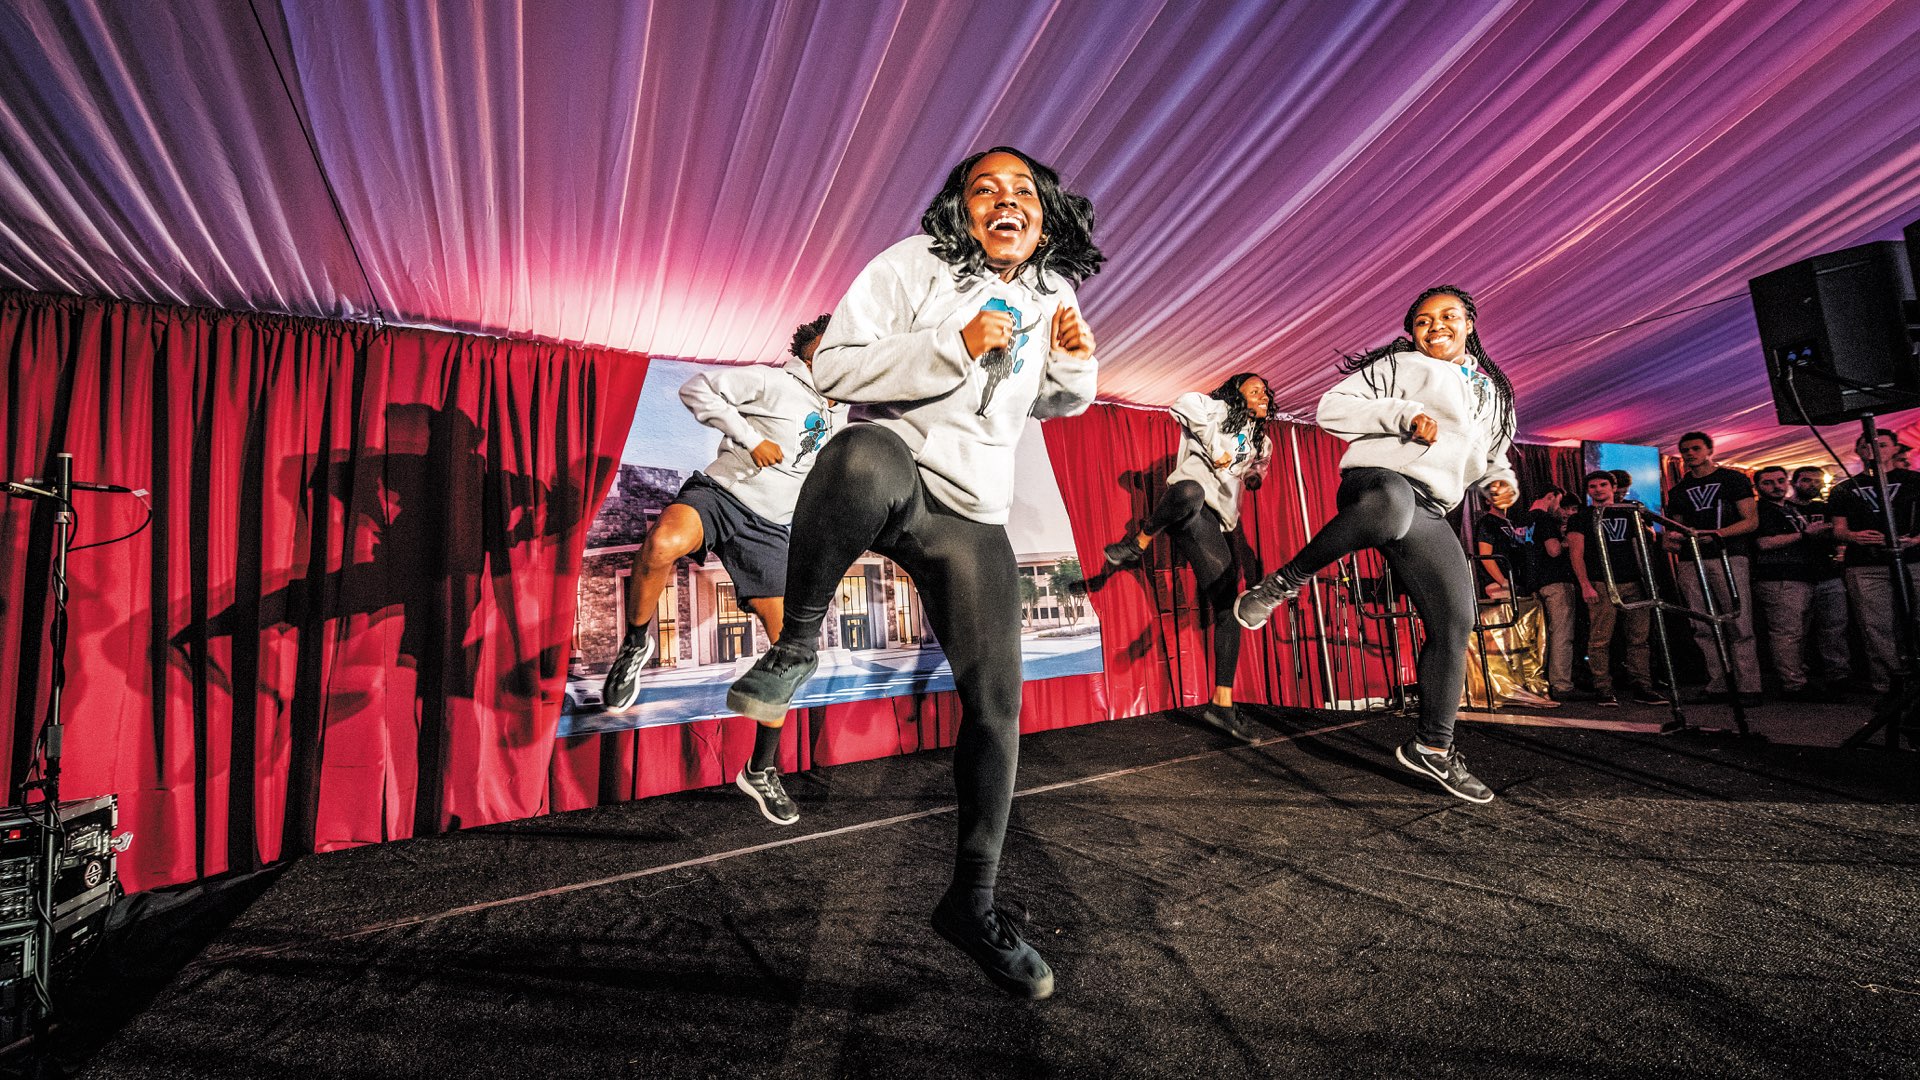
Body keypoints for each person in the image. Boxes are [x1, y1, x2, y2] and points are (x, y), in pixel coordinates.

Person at [726, 147, 1102, 999]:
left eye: (1022, 191)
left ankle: (972, 903)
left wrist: (1075, 363)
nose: (1005, 200)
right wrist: (951, 343)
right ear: (959, 209)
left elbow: (1048, 401)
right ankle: (796, 644)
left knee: (998, 711)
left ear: (1045, 213)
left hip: (970, 514)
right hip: (898, 471)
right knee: (859, 452)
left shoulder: (1053, 291)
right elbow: (834, 366)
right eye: (984, 190)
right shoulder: (911, 263)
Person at [1234, 286, 1515, 804]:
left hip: (1431, 509)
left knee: (1457, 623)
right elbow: (1331, 408)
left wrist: (1501, 480)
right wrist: (1404, 416)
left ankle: (1433, 747)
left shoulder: (1493, 392)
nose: (1436, 326)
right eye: (1424, 321)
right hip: (1378, 483)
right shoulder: (1401, 365)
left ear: (1470, 324)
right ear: (1412, 332)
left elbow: (1491, 452)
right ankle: (1283, 583)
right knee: (1391, 504)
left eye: (1448, 316)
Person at [601, 315, 847, 825]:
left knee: (788, 653)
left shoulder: (842, 411)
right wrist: (749, 437)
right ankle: (636, 645)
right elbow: (696, 388)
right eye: (825, 344)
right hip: (721, 496)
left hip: (771, 529)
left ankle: (760, 769)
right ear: (807, 350)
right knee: (661, 544)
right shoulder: (772, 381)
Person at [1103, 374, 1273, 740]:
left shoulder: (1263, 441)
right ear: (1236, 394)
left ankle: (1222, 704)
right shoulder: (1213, 409)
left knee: (1230, 608)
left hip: (1217, 521)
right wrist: (1214, 445)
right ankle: (1139, 542)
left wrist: (1254, 476)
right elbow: (1181, 402)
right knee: (1191, 490)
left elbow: (1256, 471)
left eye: (1265, 391)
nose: (1263, 394)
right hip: (1188, 506)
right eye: (1254, 389)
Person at [1665, 431, 1761, 705]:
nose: (1689, 454)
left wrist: (1718, 534)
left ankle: (1749, 686)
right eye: (1685, 450)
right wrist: (1674, 538)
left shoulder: (1733, 479)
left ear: (1709, 450)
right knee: (1702, 624)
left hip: (1728, 555)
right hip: (1691, 559)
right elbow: (1675, 527)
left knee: (1738, 621)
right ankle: (1718, 684)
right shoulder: (1679, 489)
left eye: (1695, 448)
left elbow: (1750, 521)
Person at [1567, 471, 1667, 707]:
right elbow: (1576, 553)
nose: (1598, 489)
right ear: (1588, 490)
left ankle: (1642, 686)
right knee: (1600, 639)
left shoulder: (1628, 512)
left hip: (1634, 580)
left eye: (1603, 485)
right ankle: (1603, 687)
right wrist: (1585, 585)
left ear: (1613, 487)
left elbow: (1646, 541)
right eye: (1593, 486)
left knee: (1639, 639)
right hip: (1601, 583)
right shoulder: (1581, 517)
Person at [1830, 432, 1920, 694]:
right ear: (1858, 450)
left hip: (1913, 559)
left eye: (1881, 445)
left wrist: (1915, 540)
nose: (1874, 449)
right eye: (1866, 445)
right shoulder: (1844, 488)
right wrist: (1854, 536)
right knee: (1875, 625)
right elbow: (1838, 529)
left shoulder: (1915, 481)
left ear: (1895, 449)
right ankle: (1888, 685)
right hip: (1866, 564)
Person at [1751, 465, 1836, 700]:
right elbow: (1763, 543)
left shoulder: (1789, 508)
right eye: (1768, 482)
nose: (1776, 486)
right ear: (1757, 487)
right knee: (1787, 632)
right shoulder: (1761, 509)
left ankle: (1797, 678)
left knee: (1796, 632)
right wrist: (1805, 534)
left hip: (1800, 575)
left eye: (1780, 481)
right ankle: (1793, 684)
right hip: (1779, 577)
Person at [1789, 465, 1851, 693]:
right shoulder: (1784, 509)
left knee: (1835, 627)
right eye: (1807, 480)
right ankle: (1800, 676)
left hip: (1827, 573)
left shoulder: (1826, 508)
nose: (1812, 485)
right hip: (1796, 575)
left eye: (1817, 481)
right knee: (1797, 630)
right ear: (1794, 482)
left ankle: (1838, 675)